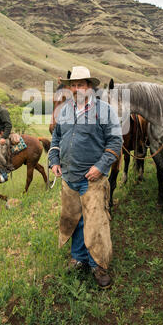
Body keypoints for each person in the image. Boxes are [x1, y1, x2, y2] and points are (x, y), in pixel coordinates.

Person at [49, 66, 122, 288]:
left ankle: (98, 265)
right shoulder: (64, 111)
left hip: (92, 179)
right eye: (73, 85)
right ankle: (79, 258)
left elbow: (115, 142)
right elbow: (55, 139)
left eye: (81, 85)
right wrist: (54, 161)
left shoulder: (105, 110)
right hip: (69, 177)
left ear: (89, 87)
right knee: (75, 220)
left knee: (96, 222)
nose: (76, 89)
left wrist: (100, 167)